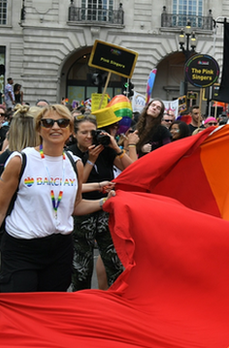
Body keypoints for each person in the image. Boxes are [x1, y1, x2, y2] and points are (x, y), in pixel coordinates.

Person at [0, 105, 109, 292]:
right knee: (20, 307)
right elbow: (1, 208)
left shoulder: (75, 164)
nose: (55, 127)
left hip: (60, 249)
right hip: (21, 248)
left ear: (70, 131)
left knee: (50, 309)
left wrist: (103, 203)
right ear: (39, 129)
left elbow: (75, 205)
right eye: (48, 122)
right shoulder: (20, 160)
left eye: (63, 122)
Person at [68, 108, 134, 291]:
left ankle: (118, 299)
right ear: (74, 134)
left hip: (106, 210)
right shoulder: (70, 153)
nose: (89, 136)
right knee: (82, 265)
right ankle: (82, 302)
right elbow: (76, 185)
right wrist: (90, 160)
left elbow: (132, 171)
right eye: (84, 132)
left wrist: (115, 147)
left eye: (93, 132)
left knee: (114, 260)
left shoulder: (104, 150)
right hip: (82, 212)